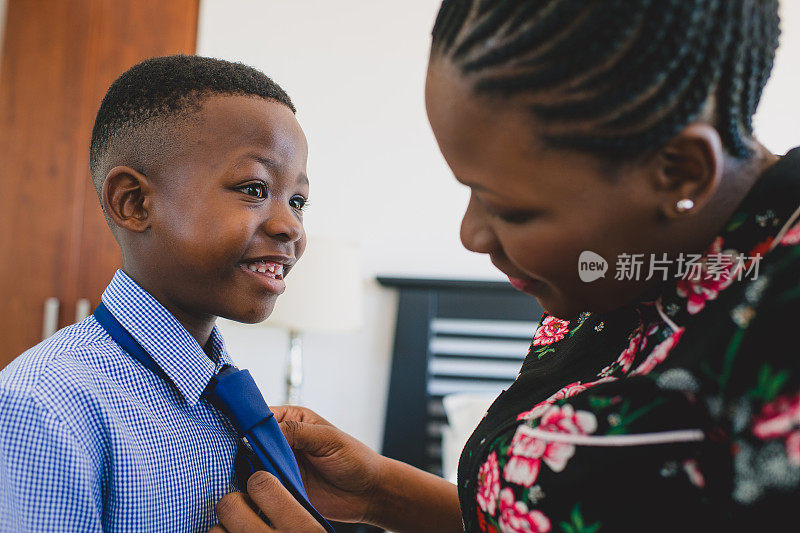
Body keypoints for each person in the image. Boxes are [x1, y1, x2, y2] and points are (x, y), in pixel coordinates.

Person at [212, 1, 800, 532]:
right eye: (469, 190)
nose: (471, 235)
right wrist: (382, 493)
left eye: (511, 208)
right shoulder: (615, 278)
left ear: (680, 173)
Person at [0, 55, 311, 531]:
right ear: (135, 202)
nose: (290, 225)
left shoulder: (225, 398)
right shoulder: (45, 407)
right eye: (254, 188)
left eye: (297, 200)